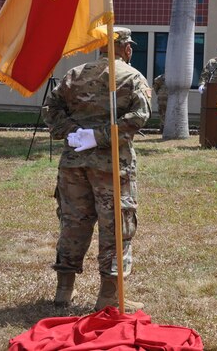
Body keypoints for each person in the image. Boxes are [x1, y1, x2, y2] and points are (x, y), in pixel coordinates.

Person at [43, 27, 152, 311]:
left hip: (74, 162)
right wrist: (101, 136)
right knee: (116, 225)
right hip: (112, 165)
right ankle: (108, 298)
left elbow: (50, 110)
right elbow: (140, 116)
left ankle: (63, 292)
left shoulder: (74, 75)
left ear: (100, 47)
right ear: (126, 48)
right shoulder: (131, 76)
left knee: (73, 223)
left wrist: (74, 133)